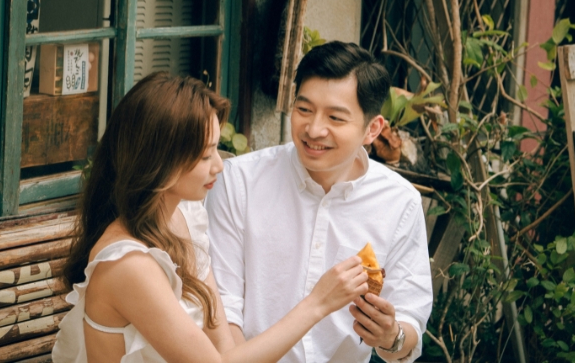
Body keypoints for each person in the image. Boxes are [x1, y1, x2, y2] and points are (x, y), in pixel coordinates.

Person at [53, 72, 371, 363]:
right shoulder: (128, 265)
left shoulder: (184, 216)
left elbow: (225, 349)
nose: (218, 166)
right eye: (205, 155)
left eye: (216, 149)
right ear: (159, 161)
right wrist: (316, 305)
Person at [207, 42, 433, 363]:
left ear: (372, 129)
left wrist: (390, 336)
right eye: (304, 110)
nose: (314, 129)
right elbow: (221, 307)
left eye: (336, 118)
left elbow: (409, 320)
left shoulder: (399, 202)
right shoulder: (237, 181)